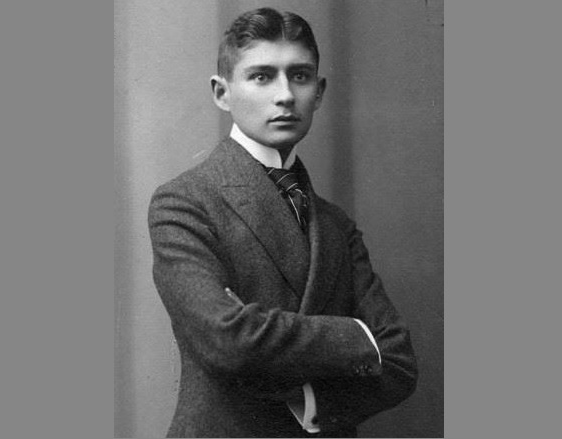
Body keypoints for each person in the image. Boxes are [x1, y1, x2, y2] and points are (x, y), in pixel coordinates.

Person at [148, 7, 417, 438]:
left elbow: (399, 362)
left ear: (319, 91)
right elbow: (228, 341)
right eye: (262, 76)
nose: (286, 95)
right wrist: (357, 337)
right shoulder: (185, 202)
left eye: (300, 76)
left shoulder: (335, 225)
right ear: (222, 93)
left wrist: (309, 400)